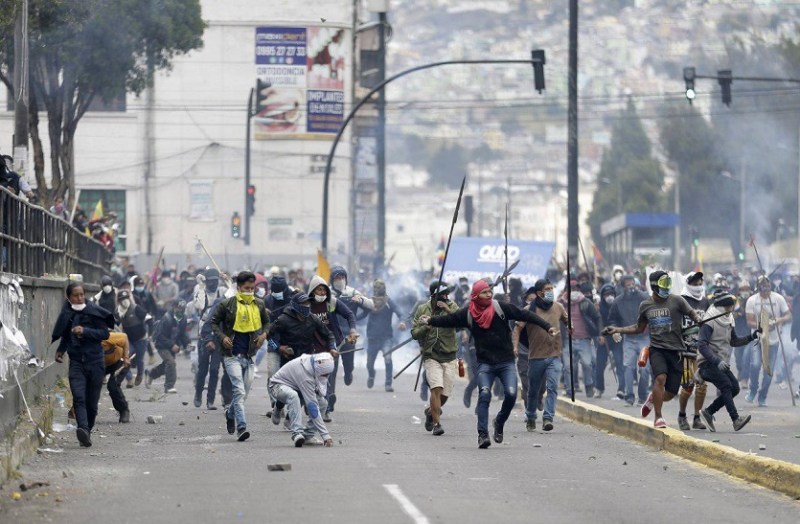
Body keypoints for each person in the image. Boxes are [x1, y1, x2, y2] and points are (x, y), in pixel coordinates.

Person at [421, 279, 557, 449]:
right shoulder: (469, 313)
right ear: (476, 295)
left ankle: (499, 422)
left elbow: (525, 315)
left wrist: (547, 326)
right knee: (484, 395)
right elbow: (449, 319)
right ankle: (483, 434)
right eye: (484, 292)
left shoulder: (500, 308)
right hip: (485, 364)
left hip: (506, 362)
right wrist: (430, 320)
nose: (488, 294)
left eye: (489, 292)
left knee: (511, 394)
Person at [603, 270, 703, 429]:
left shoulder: (677, 300)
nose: (667, 287)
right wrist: (617, 330)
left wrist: (698, 319)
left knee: (670, 393)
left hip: (676, 350)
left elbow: (691, 313)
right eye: (664, 284)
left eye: (668, 283)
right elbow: (638, 328)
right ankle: (658, 417)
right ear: (655, 286)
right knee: (660, 378)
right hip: (657, 349)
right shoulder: (646, 305)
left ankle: (652, 398)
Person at [51, 282, 114, 447]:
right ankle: (83, 429)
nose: (79, 298)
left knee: (92, 403)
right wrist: (61, 350)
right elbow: (66, 334)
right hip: (77, 362)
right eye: (75, 295)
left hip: (95, 362)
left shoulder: (94, 312)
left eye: (81, 295)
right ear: (69, 297)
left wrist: (85, 331)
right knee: (79, 398)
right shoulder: (68, 313)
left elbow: (105, 334)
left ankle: (87, 431)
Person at [210, 271, 270, 442]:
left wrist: (263, 335)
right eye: (246, 288)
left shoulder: (259, 304)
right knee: (239, 390)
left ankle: (230, 414)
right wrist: (222, 337)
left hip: (250, 356)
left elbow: (267, 322)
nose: (250, 291)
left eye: (252, 288)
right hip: (231, 356)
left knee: (243, 395)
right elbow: (214, 322)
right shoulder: (227, 304)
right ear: (238, 288)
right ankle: (242, 427)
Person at [697, 289, 759, 432]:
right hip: (708, 363)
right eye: (728, 306)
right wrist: (717, 361)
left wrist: (751, 337)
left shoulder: (728, 318)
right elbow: (702, 345)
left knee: (735, 388)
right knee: (725, 385)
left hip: (721, 363)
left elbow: (734, 341)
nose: (731, 309)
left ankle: (709, 412)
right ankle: (735, 420)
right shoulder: (709, 320)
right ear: (721, 306)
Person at [513, 279, 568, 432]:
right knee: (533, 390)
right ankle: (531, 416)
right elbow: (517, 329)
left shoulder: (558, 307)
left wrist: (570, 326)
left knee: (552, 387)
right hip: (535, 357)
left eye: (552, 288)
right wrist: (515, 347)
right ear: (539, 293)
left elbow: (567, 321)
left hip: (554, 355)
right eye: (547, 289)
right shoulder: (528, 309)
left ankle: (548, 417)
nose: (551, 291)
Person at [411, 281, 459, 436]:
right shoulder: (422, 309)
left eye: (447, 294)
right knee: (436, 388)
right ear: (433, 296)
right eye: (442, 294)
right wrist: (426, 327)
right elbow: (414, 333)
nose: (446, 297)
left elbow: (460, 325)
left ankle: (430, 411)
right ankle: (437, 424)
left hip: (449, 355)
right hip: (431, 356)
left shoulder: (453, 307)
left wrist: (448, 310)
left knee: (445, 394)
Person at [307, 274, 357, 421]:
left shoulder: (332, 302)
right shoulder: (306, 305)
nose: (322, 293)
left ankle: (326, 408)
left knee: (330, 376)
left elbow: (349, 314)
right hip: (312, 346)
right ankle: (313, 402)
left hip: (332, 345)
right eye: (319, 290)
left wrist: (352, 329)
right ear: (312, 291)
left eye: (324, 290)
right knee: (312, 377)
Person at [268, 352, 335, 447]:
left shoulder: (314, 363)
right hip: (277, 385)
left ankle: (308, 436)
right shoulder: (306, 376)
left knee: (323, 403)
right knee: (293, 395)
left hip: (296, 386)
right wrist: (325, 435)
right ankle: (297, 433)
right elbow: (312, 406)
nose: (327, 377)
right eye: (325, 374)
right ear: (319, 370)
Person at [745, 275, 791, 407]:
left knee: (768, 371)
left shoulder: (778, 298)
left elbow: (788, 315)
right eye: (762, 285)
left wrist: (778, 320)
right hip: (757, 339)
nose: (765, 288)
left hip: (773, 340)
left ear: (770, 286)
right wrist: (762, 325)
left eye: (767, 285)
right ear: (758, 287)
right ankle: (753, 389)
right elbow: (749, 321)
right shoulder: (752, 300)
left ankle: (762, 396)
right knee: (755, 365)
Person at [607, 274, 651, 406]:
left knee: (644, 368)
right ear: (623, 286)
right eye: (628, 284)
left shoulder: (645, 297)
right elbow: (612, 318)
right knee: (628, 367)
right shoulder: (618, 301)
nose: (631, 285)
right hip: (629, 339)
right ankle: (629, 396)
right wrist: (615, 330)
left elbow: (653, 314)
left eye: (632, 283)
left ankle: (642, 396)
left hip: (644, 338)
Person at [329, 266, 375, 386]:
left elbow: (371, 305)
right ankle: (330, 393)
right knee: (331, 366)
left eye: (342, 277)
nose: (340, 280)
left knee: (349, 363)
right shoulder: (327, 292)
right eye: (337, 278)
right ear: (332, 279)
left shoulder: (353, 292)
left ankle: (348, 373)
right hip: (331, 334)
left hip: (349, 334)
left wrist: (360, 301)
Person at [677, 271, 710, 431]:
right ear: (688, 284)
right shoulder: (680, 301)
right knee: (688, 386)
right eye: (694, 283)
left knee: (702, 385)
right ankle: (682, 415)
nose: (698, 286)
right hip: (684, 350)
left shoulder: (705, 301)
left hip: (701, 350)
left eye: (700, 283)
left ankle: (697, 417)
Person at [364, 279, 407, 392]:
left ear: (384, 288)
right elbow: (361, 314)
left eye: (379, 287)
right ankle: (371, 375)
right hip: (372, 337)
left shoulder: (388, 302)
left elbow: (399, 312)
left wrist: (402, 321)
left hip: (386, 337)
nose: (377, 290)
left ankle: (388, 383)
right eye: (375, 287)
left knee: (388, 359)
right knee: (369, 364)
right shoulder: (369, 302)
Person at [560, 280, 600, 398]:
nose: (573, 291)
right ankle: (569, 389)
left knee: (587, 364)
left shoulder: (586, 302)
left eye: (576, 289)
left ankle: (588, 385)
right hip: (567, 340)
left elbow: (597, 317)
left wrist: (599, 333)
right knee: (568, 367)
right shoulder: (560, 304)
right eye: (571, 289)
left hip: (584, 339)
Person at [146, 299, 190, 394]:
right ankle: (169, 386)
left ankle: (151, 374)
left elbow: (182, 334)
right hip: (161, 344)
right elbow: (160, 336)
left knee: (167, 365)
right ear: (173, 307)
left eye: (182, 309)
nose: (180, 310)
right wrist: (171, 345)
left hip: (172, 344)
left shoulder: (183, 318)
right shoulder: (167, 318)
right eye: (178, 308)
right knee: (171, 363)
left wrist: (187, 344)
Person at [195, 295, 226, 409]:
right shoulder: (208, 315)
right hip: (205, 342)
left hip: (218, 343)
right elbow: (204, 329)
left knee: (214, 370)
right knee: (202, 370)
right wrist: (209, 340)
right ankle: (198, 394)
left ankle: (210, 401)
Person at [596, 283, 624, 400]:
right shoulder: (599, 307)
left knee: (619, 363)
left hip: (617, 336)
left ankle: (621, 389)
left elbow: (623, 321)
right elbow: (598, 322)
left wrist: (619, 332)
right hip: (604, 338)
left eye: (611, 294)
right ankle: (599, 388)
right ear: (602, 296)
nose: (609, 297)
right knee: (599, 365)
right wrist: (600, 335)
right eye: (606, 295)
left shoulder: (619, 305)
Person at [115, 290, 148, 387]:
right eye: (122, 299)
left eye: (126, 298)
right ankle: (129, 379)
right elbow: (115, 323)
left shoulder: (136, 308)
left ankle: (140, 374)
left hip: (141, 338)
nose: (124, 300)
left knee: (139, 359)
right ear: (119, 301)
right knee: (125, 357)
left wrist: (150, 332)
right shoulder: (117, 312)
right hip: (129, 339)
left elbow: (148, 318)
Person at [101, 331, 131, 423]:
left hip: (119, 362)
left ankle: (124, 410)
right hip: (102, 366)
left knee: (112, 386)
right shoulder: (84, 343)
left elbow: (124, 337)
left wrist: (126, 357)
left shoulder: (106, 337)